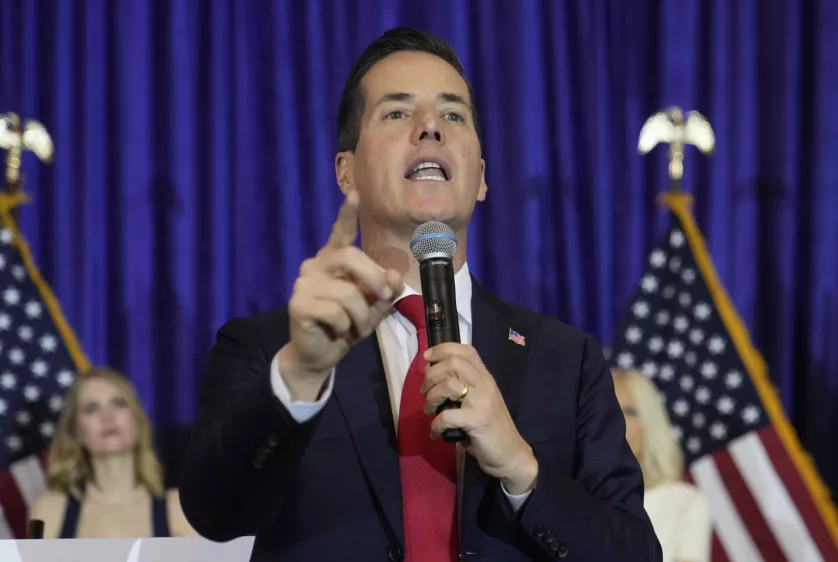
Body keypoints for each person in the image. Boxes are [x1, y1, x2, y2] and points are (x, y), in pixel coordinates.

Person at [179, 26, 660, 562]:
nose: (430, 127)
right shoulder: (269, 349)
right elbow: (215, 515)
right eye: (397, 112)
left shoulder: (566, 360)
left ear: (480, 177)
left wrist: (523, 468)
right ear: (346, 172)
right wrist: (300, 378)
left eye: (453, 115)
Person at [28, 367, 197, 539]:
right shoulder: (50, 511)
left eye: (118, 403)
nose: (107, 416)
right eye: (92, 408)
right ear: (77, 432)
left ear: (138, 421)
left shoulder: (181, 510)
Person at [612, 368, 712, 562]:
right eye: (608, 410)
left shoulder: (686, 502)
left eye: (629, 412)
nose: (616, 422)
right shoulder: (571, 495)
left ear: (649, 422)